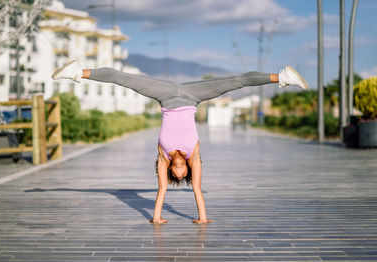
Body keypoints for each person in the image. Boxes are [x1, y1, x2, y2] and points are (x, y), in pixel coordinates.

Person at [52, 60, 308, 224]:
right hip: (192, 96)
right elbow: (196, 189)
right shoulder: (193, 155)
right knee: (236, 82)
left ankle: (77, 72)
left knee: (123, 78)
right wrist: (202, 219)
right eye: (181, 171)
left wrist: (156, 218)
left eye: (174, 171)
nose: (177, 169)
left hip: (164, 96)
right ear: (186, 168)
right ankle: (282, 77)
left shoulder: (163, 155)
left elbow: (162, 190)